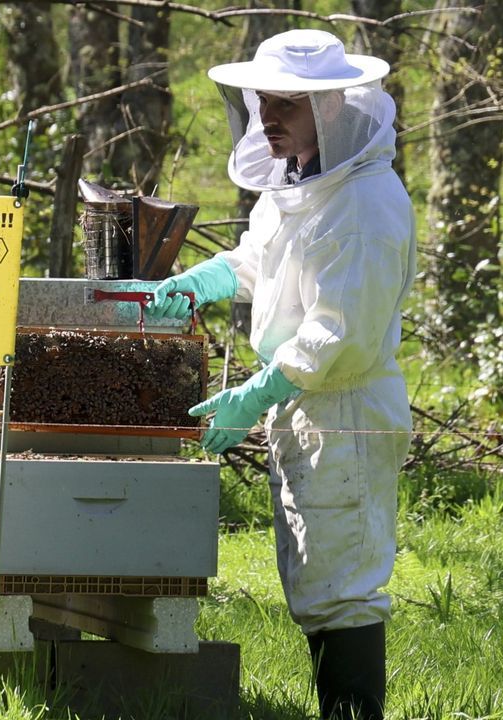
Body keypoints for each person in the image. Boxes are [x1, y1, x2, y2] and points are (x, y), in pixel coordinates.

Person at [146, 29, 416, 720]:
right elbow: (261, 258)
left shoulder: (364, 205)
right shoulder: (303, 183)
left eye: (285, 105)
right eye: (262, 101)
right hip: (309, 406)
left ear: (328, 108)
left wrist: (262, 389)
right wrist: (204, 280)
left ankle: (353, 712)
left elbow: (337, 334)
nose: (267, 117)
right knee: (315, 576)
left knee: (344, 583)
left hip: (344, 411)